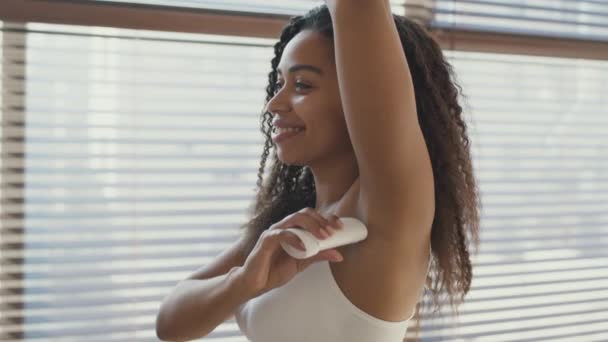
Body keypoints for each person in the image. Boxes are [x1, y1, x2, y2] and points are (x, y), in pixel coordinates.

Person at [156, 1, 481, 341]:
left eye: (302, 85)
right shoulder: (293, 226)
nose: (274, 104)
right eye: (279, 83)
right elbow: (170, 324)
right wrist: (243, 282)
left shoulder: (387, 211)